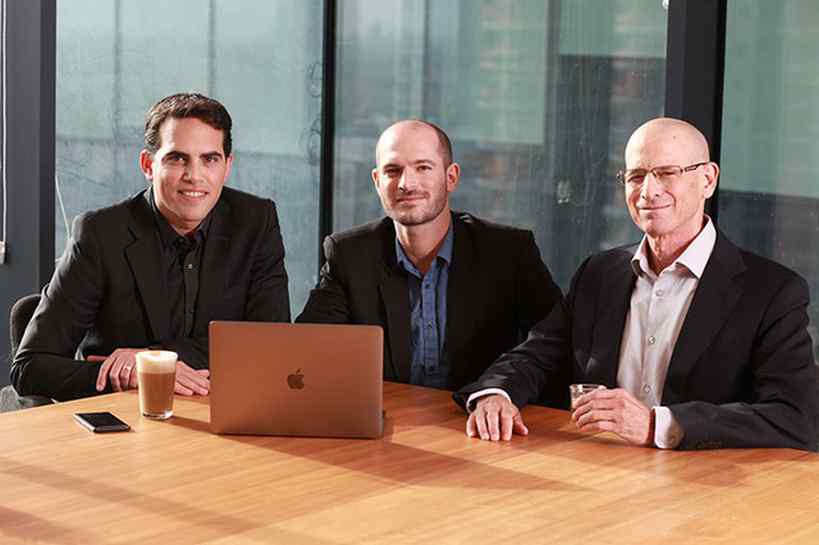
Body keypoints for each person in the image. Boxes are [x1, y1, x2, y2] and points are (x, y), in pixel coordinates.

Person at [456, 117, 817, 451]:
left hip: (707, 485)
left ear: (708, 180)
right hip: (599, 469)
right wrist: (496, 394)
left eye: (667, 173)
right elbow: (537, 354)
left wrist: (658, 425)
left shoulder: (772, 292)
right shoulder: (599, 273)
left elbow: (793, 417)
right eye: (636, 175)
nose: (648, 191)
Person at [12, 93, 290, 401]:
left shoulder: (255, 222)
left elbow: (271, 345)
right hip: (127, 416)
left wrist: (151, 361)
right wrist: (133, 376)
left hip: (223, 411)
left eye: (209, 159)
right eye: (177, 158)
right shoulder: (100, 234)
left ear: (227, 166)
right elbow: (29, 369)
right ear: (148, 164)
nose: (194, 176)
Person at [297, 120, 562, 393]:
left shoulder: (508, 253)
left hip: (477, 413)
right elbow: (305, 348)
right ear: (377, 181)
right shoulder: (350, 255)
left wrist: (499, 391)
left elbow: (552, 341)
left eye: (423, 167)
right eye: (393, 170)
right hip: (391, 415)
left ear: (451, 177)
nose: (406, 184)